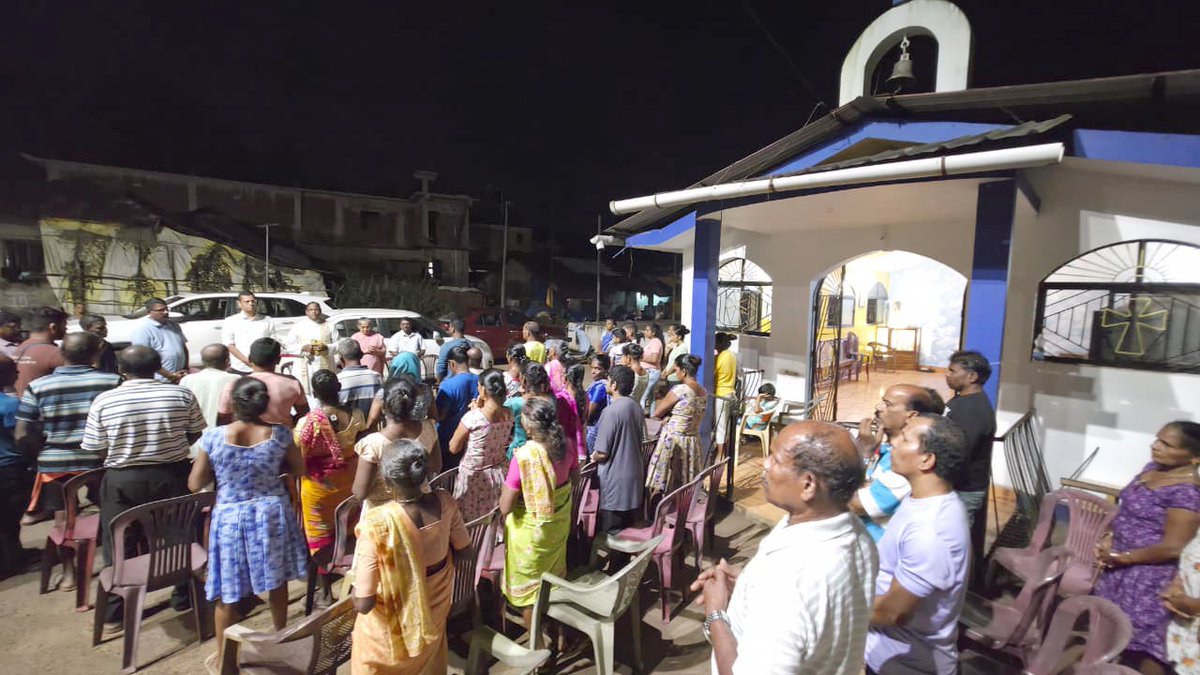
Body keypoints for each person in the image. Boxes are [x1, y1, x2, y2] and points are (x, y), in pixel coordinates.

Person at [692, 421, 876, 674]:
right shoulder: (854, 532)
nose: (765, 464)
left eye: (776, 460)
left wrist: (716, 614)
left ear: (808, 484)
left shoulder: (791, 576)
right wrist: (748, 584)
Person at [82, 346, 207, 631]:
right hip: (173, 474)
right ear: (157, 366)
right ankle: (183, 595)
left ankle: (116, 611)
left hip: (122, 479)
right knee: (180, 534)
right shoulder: (180, 394)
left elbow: (94, 447)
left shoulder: (105, 400)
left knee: (119, 540)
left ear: (120, 370)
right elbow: (195, 430)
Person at [189, 376, 308, 671]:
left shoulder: (214, 438)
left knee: (227, 588)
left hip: (230, 515)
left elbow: (195, 483)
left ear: (233, 404)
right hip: (271, 512)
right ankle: (280, 640)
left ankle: (225, 659)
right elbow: (299, 468)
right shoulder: (280, 435)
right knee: (276, 580)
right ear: (264, 404)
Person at [350, 440, 469, 674]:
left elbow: (364, 603)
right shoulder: (445, 501)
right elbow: (465, 551)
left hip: (388, 640)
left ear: (385, 480)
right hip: (435, 614)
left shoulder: (377, 524)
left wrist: (354, 591)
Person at [865, 414, 970, 675]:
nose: (894, 442)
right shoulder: (920, 500)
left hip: (905, 665)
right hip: (887, 656)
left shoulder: (930, 531)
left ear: (927, 459)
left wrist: (833, 609)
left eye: (905, 438)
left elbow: (893, 613)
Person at [1094, 421, 1200, 675]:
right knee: (1109, 632)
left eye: (1166, 444)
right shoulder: (1153, 469)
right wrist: (1110, 536)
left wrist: (1125, 557)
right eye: (1157, 439)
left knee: (1143, 647)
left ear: (1194, 457)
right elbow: (1128, 509)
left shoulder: (1187, 492)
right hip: (1118, 567)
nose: (1155, 446)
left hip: (1147, 579)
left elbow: (1174, 546)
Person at [15, 333, 119, 535]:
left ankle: (69, 560)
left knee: (63, 517)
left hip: (55, 462)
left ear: (62, 353)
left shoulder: (38, 387)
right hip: (101, 459)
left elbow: (22, 434)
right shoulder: (113, 382)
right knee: (108, 509)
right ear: (96, 353)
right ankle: (111, 551)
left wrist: (40, 456)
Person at [501, 396, 579, 629]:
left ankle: (539, 644)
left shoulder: (524, 457)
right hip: (559, 526)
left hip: (531, 536)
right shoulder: (566, 444)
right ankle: (560, 632)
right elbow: (575, 480)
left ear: (528, 425)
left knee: (529, 595)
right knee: (551, 580)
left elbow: (505, 507)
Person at [294, 369, 367, 606]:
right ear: (339, 388)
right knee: (349, 527)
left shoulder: (307, 423)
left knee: (321, 537)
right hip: (349, 484)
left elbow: (298, 453)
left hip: (319, 490)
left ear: (314, 393)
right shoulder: (355, 415)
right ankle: (356, 575)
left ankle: (325, 591)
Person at [850, 385, 945, 542]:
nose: (878, 407)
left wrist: (863, 455)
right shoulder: (887, 449)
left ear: (912, 416)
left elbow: (854, 504)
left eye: (887, 404)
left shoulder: (906, 462)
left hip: (877, 551)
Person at [943, 349, 997, 585]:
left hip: (963, 490)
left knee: (952, 548)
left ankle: (961, 595)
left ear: (972, 376)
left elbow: (959, 451)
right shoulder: (962, 401)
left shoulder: (974, 410)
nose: (947, 375)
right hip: (957, 487)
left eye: (953, 371)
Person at [354, 377, 441, 517]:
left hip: (382, 516)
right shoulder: (429, 428)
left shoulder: (372, 444)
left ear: (383, 407)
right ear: (413, 405)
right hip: (420, 509)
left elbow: (360, 492)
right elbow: (436, 466)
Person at [449, 369, 513, 521]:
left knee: (473, 522)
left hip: (475, 477)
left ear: (483, 389)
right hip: (499, 472)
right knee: (494, 520)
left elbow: (453, 447)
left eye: (478, 386)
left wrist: (475, 411)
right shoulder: (509, 413)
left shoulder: (472, 418)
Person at [591, 365, 645, 532]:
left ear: (614, 385)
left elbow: (602, 452)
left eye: (608, 380)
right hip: (634, 477)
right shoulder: (636, 406)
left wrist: (593, 457)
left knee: (613, 531)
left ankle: (614, 559)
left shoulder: (611, 412)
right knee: (628, 529)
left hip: (615, 482)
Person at [646, 354, 707, 494]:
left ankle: (662, 507)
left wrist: (662, 404)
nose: (675, 373)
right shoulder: (703, 391)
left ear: (684, 371)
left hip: (674, 440)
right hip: (692, 440)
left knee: (666, 480)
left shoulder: (680, 390)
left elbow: (657, 413)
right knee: (684, 480)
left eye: (676, 370)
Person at [217, 338, 308, 428]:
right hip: (283, 439)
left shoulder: (234, 386)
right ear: (278, 360)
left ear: (249, 358)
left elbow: (223, 420)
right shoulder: (292, 383)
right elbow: (304, 414)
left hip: (245, 440)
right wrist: (288, 424)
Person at [0, 356, 32, 577]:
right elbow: (21, 437)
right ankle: (10, 560)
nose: (18, 374)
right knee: (9, 519)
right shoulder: (10, 406)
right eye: (14, 369)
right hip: (9, 468)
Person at [179, 345, 241, 448]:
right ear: (227, 360)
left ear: (202, 361)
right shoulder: (235, 379)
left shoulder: (187, 380)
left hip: (194, 442)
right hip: (224, 441)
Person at [435, 345, 478, 470]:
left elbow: (440, 415)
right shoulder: (479, 380)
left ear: (451, 363)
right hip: (470, 437)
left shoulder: (447, 385)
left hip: (448, 438)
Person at [130, 297, 188, 383]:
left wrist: (185, 368)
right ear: (150, 312)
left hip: (179, 377)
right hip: (159, 380)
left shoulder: (174, 326)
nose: (166, 312)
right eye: (161, 310)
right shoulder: (143, 330)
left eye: (166, 309)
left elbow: (183, 347)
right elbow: (143, 358)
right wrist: (169, 375)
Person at [14, 306, 66, 395]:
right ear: (52, 327)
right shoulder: (54, 353)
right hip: (42, 405)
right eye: (64, 325)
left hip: (24, 403)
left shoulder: (21, 347)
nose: (66, 329)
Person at [285, 301, 335, 395]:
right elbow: (288, 346)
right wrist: (303, 347)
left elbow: (339, 344)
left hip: (324, 362)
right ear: (306, 312)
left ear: (320, 311)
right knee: (307, 393)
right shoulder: (298, 326)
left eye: (316, 309)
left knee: (324, 392)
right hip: (305, 364)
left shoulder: (329, 325)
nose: (314, 312)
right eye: (311, 310)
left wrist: (326, 347)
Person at [222, 291, 275, 374]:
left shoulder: (267, 320)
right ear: (239, 303)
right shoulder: (230, 321)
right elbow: (229, 345)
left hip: (263, 368)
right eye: (247, 301)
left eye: (253, 301)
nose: (251, 304)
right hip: (240, 367)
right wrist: (247, 362)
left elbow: (272, 343)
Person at [337, 339, 384, 419]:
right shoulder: (376, 377)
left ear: (341, 359)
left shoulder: (338, 380)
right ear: (361, 355)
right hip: (372, 429)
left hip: (348, 430)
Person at [713, 332, 738, 461]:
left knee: (720, 427)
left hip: (721, 395)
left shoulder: (719, 358)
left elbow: (712, 374)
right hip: (731, 393)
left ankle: (720, 454)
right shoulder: (732, 356)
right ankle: (726, 452)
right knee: (727, 426)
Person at [585, 354, 611, 456]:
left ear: (606, 370)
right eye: (592, 367)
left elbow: (589, 413)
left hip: (594, 430)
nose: (593, 371)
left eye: (598, 368)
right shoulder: (600, 384)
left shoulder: (600, 387)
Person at [639, 323, 664, 410]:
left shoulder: (655, 342)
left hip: (651, 372)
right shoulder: (652, 342)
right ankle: (652, 415)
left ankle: (640, 419)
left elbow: (654, 359)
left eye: (647, 330)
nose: (645, 332)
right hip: (651, 372)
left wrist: (640, 358)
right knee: (650, 397)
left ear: (653, 332)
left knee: (642, 396)